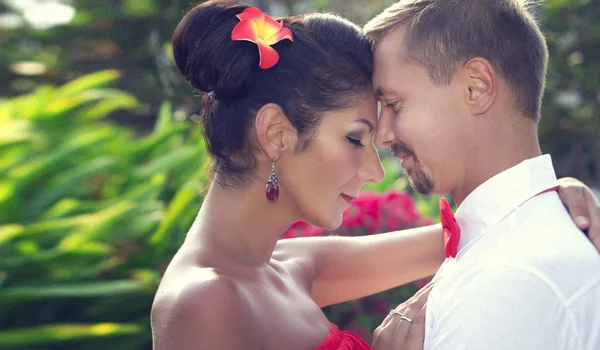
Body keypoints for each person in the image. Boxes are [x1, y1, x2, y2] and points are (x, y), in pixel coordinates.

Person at [150, 1, 600, 349]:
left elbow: (470, 232)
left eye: (393, 110)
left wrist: (552, 193)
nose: (374, 168)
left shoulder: (290, 269)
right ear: (276, 133)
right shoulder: (205, 302)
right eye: (354, 138)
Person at [363, 0, 600, 349]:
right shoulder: (510, 245)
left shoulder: (508, 279)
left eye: (394, 104)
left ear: (477, 87)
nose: (382, 134)